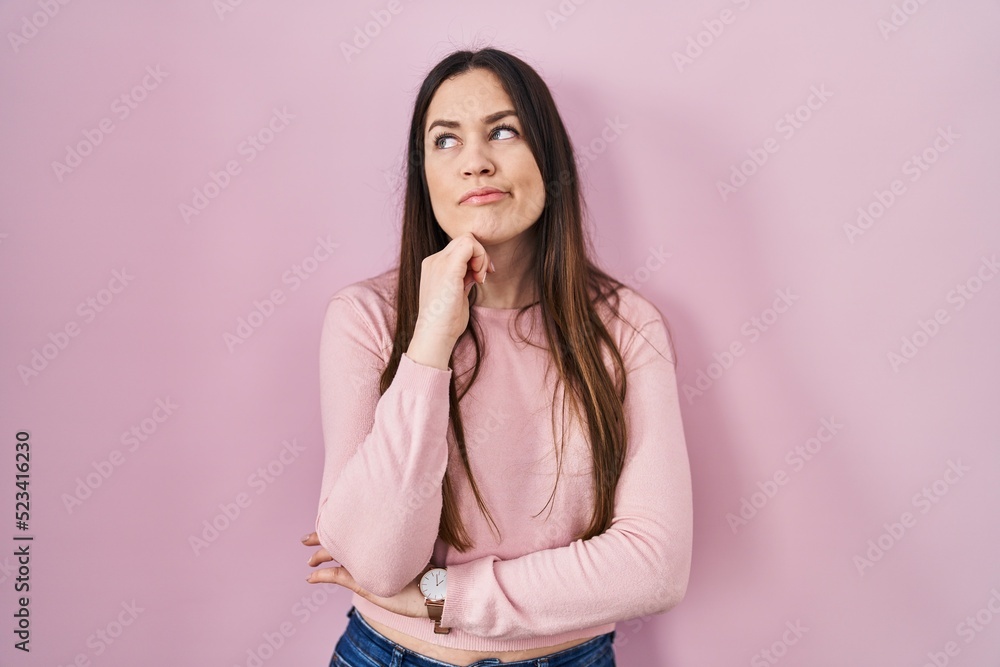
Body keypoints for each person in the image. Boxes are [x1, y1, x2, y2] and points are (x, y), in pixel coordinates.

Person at [301, 47, 693, 667]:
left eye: (503, 131)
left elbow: (653, 567)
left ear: (549, 156)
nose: (476, 163)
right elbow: (377, 560)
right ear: (422, 173)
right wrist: (431, 338)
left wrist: (442, 594)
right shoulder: (365, 318)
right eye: (445, 141)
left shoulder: (625, 327)